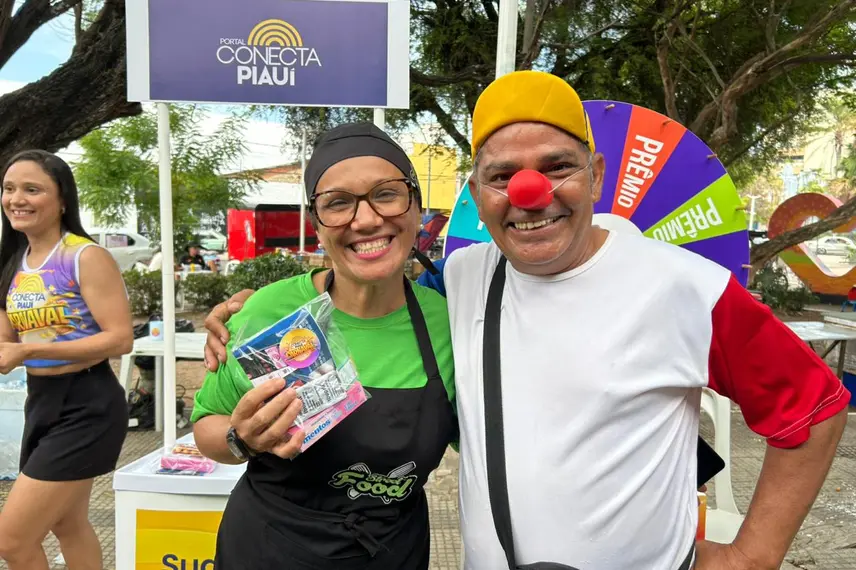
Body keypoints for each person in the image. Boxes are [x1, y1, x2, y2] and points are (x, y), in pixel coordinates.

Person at [202, 71, 849, 570]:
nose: (530, 194)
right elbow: (365, 287)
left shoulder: (687, 288)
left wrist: (754, 554)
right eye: (502, 176)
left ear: (595, 174)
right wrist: (247, 311)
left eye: (557, 167)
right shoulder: (459, 280)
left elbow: (814, 411)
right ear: (477, 196)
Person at [190, 123, 457, 569]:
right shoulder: (270, 310)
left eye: (387, 194)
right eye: (338, 203)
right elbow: (206, 427)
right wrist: (242, 440)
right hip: (269, 550)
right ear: (316, 225)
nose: (367, 219)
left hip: (392, 553)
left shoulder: (450, 320)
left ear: (416, 207)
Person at [0, 150, 133, 570]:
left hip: (88, 403)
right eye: (8, 189)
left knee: (12, 541)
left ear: (62, 200)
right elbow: (7, 340)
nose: (16, 199)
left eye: (31, 189)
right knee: (69, 524)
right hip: (41, 401)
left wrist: (30, 350)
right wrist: (14, 350)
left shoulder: (83, 256)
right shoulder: (10, 263)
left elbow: (120, 338)